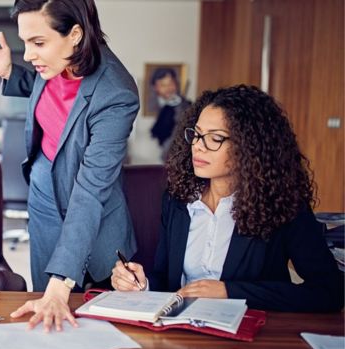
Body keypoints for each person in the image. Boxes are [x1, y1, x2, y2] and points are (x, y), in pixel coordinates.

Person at [0, 0, 139, 331]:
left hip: (92, 212)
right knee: (46, 315)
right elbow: (44, 88)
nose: (27, 54)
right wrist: (9, 72)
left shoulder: (116, 94)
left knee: (97, 324)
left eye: (38, 43)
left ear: (75, 34)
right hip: (43, 195)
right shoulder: (56, 63)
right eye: (24, 42)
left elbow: (90, 190)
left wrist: (62, 284)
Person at [111, 84, 344, 312]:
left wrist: (230, 292)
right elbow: (166, 280)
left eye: (215, 138)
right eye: (197, 134)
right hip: (179, 334)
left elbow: (329, 292)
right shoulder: (179, 199)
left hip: (250, 339)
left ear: (250, 146)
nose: (198, 147)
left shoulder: (282, 205)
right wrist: (142, 284)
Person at [149, 67, 190, 160]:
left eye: (171, 83)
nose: (168, 88)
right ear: (155, 87)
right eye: (163, 85)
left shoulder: (185, 106)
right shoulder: (158, 106)